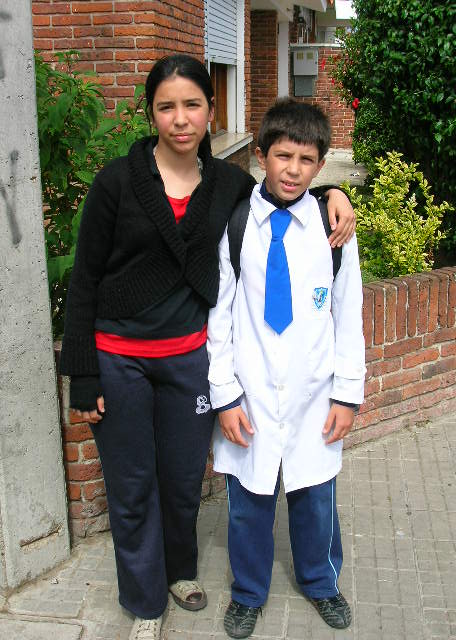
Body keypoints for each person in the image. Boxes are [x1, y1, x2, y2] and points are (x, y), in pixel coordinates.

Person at [59, 54, 356, 640]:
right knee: (133, 483)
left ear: (211, 110)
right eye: (166, 106)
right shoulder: (118, 182)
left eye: (192, 104)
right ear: (151, 113)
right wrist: (84, 372)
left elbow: (290, 183)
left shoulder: (229, 186)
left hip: (186, 358)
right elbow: (85, 277)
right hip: (119, 356)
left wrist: (337, 192)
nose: (180, 118)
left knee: (180, 480)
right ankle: (146, 601)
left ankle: (185, 572)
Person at [207, 98, 365, 639]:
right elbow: (220, 317)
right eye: (282, 156)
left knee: (315, 498)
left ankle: (321, 583)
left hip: (314, 395)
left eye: (305, 160)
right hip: (249, 394)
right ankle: (248, 593)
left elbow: (349, 316)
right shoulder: (235, 227)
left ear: (321, 166)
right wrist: (224, 396)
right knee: (248, 505)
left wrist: (347, 395)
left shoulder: (334, 230)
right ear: (259, 156)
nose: (292, 170)